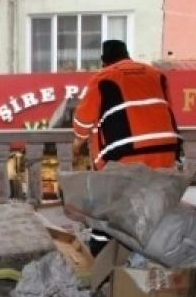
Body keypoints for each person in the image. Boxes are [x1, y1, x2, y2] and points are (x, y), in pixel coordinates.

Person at [71, 39, 182, 256]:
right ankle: (150, 258)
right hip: (165, 150)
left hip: (126, 153)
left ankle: (99, 257)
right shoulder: (156, 74)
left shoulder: (103, 77)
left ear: (104, 61)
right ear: (127, 54)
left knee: (109, 208)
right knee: (151, 206)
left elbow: (83, 122)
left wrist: (78, 141)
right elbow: (167, 108)